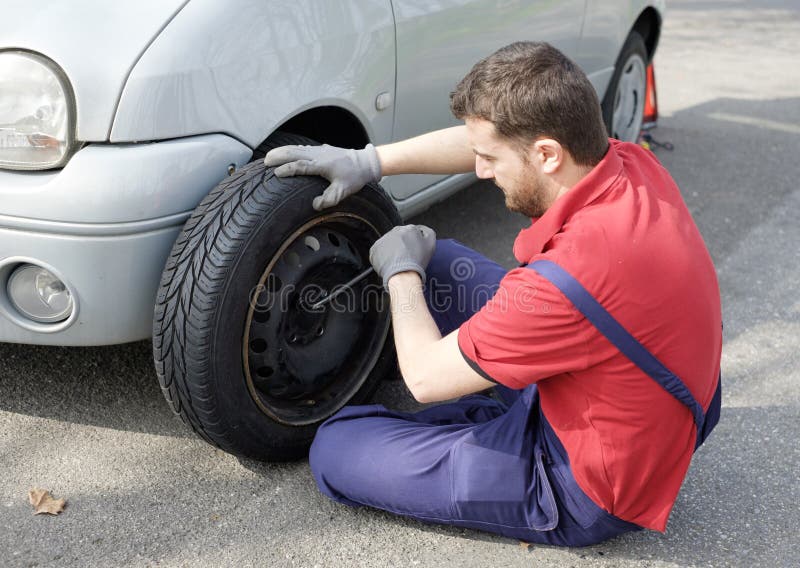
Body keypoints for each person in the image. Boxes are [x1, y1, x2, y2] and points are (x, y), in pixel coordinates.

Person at [264, 42, 722, 546]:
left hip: (585, 481)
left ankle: (493, 426)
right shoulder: (626, 162)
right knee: (437, 262)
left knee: (336, 448)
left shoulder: (562, 284)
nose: (480, 170)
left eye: (489, 160)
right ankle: (490, 402)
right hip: (629, 394)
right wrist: (367, 161)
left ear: (547, 154)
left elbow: (423, 379)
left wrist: (398, 274)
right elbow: (486, 142)